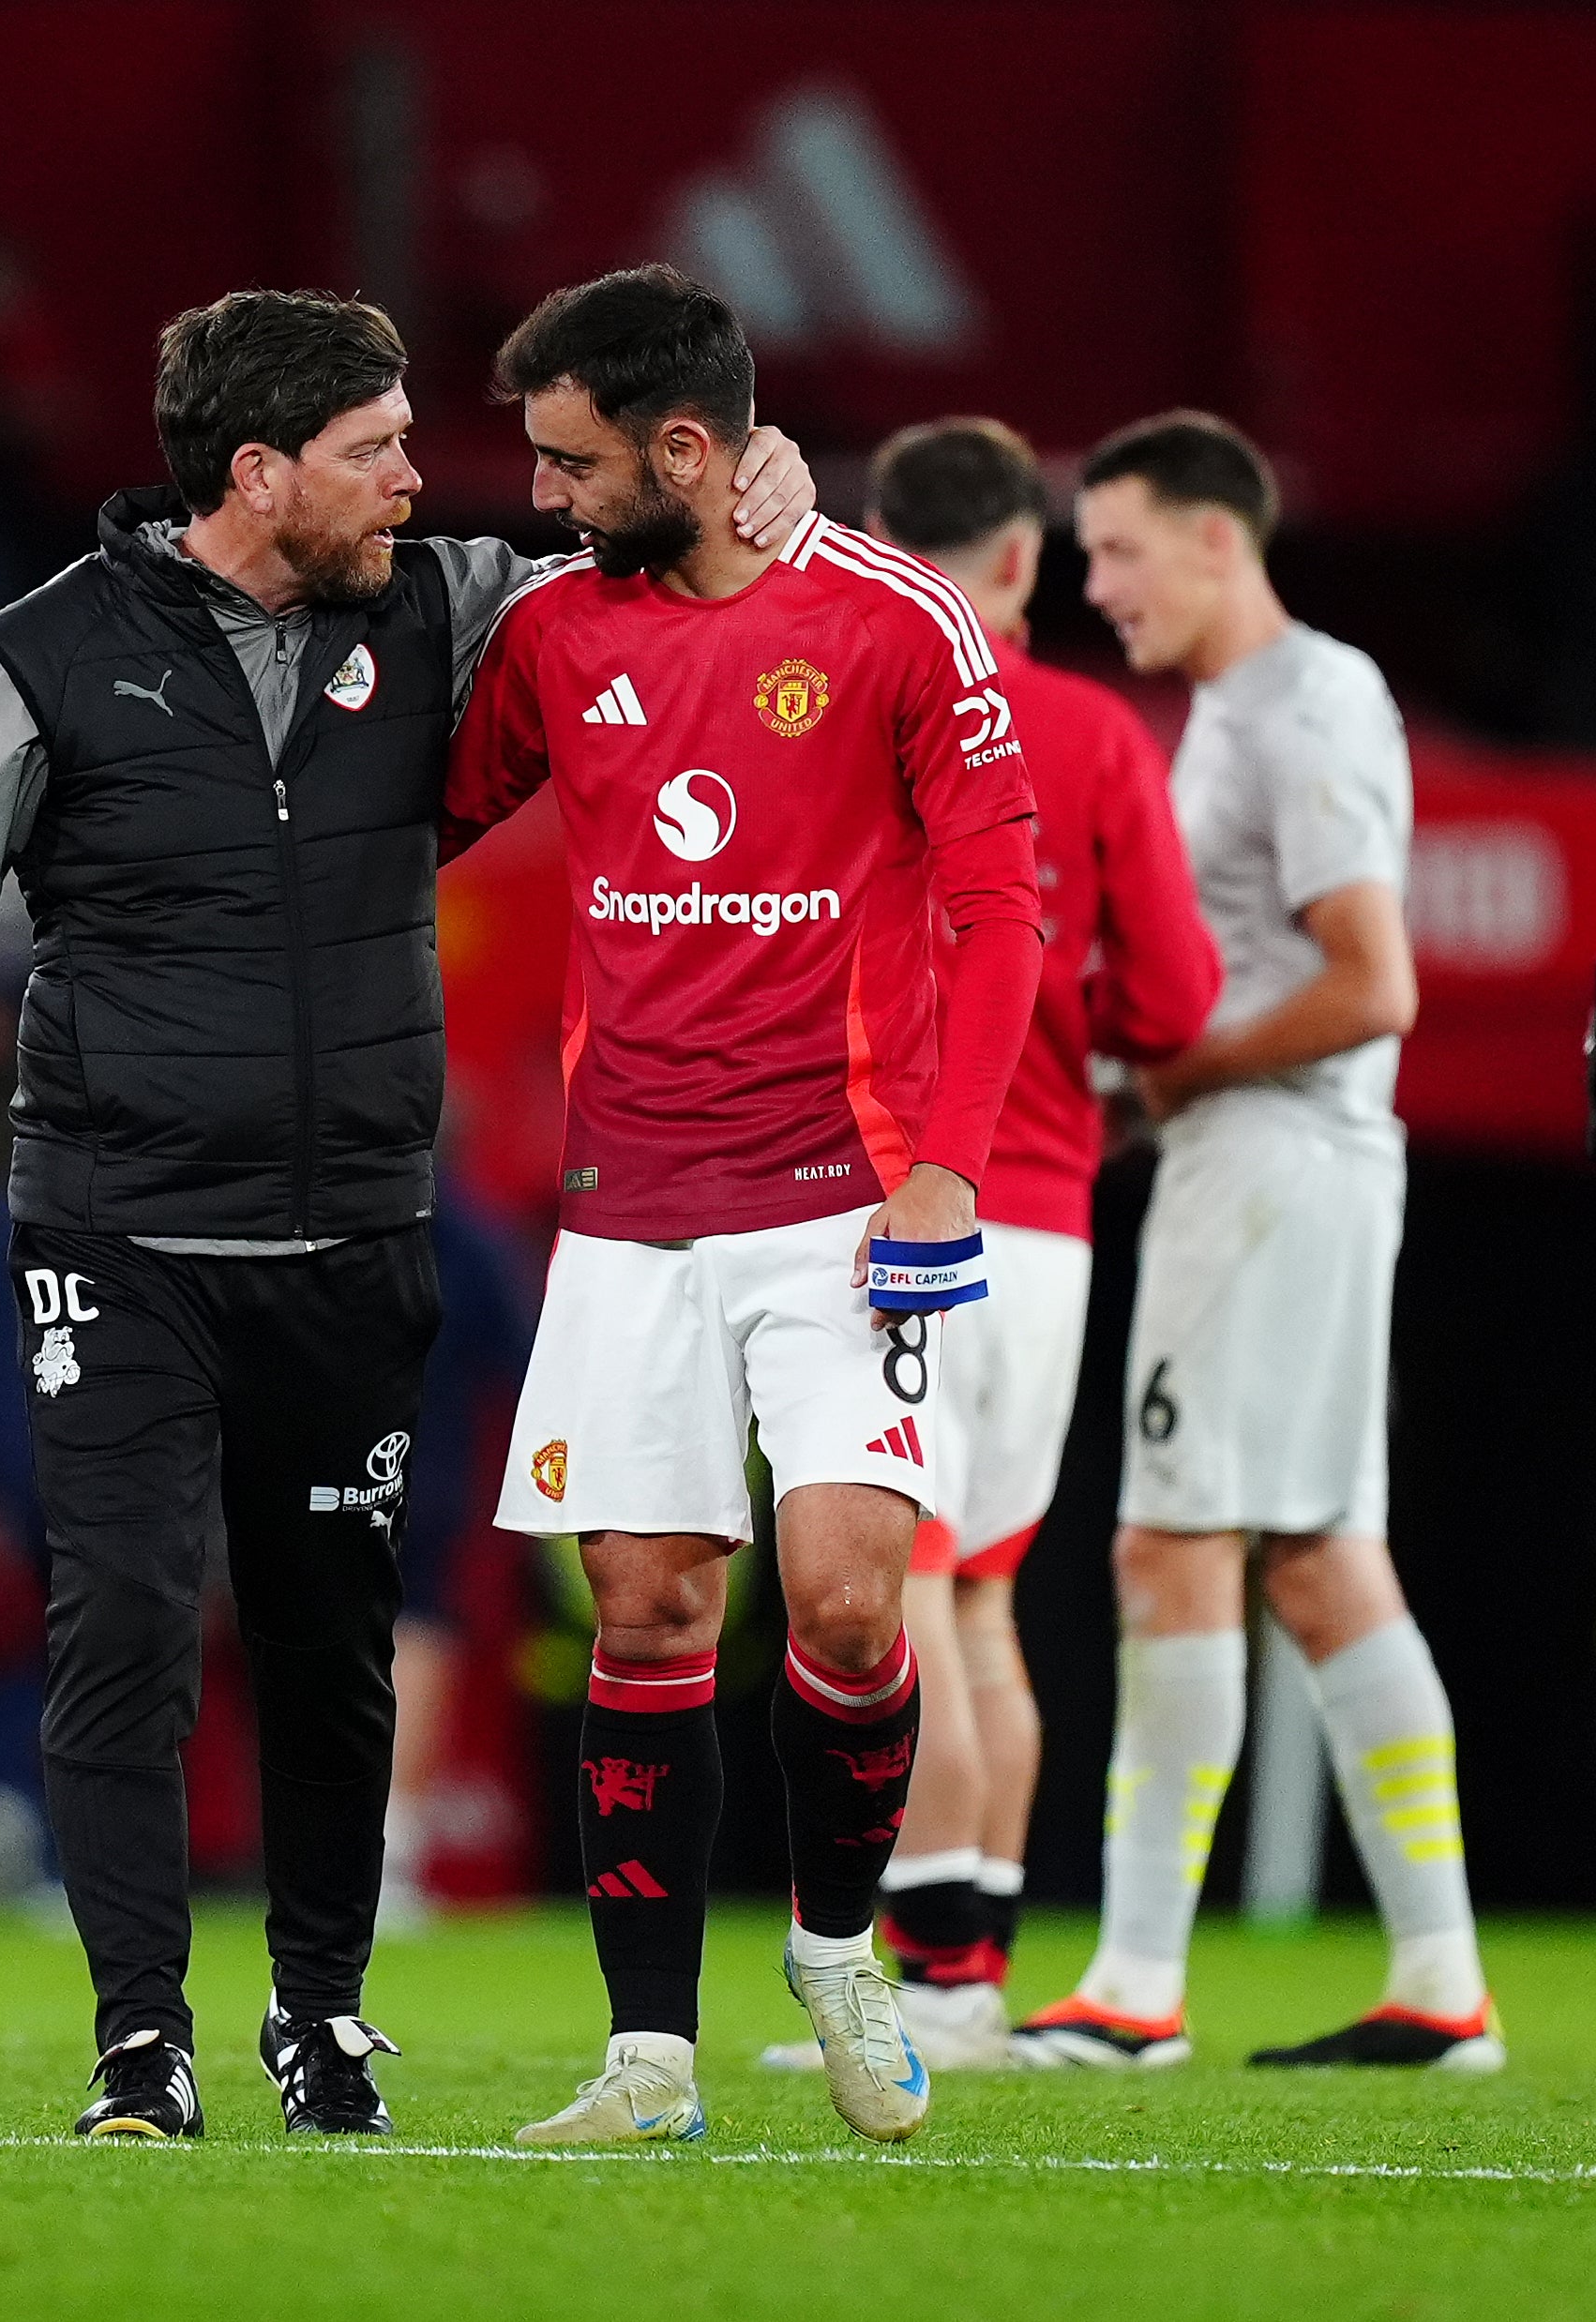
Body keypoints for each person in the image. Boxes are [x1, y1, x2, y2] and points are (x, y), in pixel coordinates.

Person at [0, 287, 816, 2142]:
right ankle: (136, 2038)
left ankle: (323, 2014)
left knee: (334, 1638)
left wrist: (773, 488)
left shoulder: (444, 603)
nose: (424, 483)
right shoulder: (41, 655)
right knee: (120, 1616)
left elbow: (664, 534)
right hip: (114, 1235)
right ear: (261, 472)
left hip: (353, 1235)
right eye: (379, 450)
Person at [444, 266, 1042, 2148]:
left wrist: (948, 1156)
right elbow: (430, 809)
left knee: (857, 1602)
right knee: (643, 1604)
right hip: (627, 1202)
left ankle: (839, 1943)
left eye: (571, 460)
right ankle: (649, 2060)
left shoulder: (890, 618)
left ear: (685, 449)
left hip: (840, 1195)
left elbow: (999, 900)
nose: (542, 495)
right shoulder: (550, 635)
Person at [1018, 412, 1500, 2076]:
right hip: (1286, 1158)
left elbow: (1374, 983)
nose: (1099, 584)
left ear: (1216, 539)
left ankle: (1136, 1982)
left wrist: (1165, 1069)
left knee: (1167, 1549)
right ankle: (1439, 1981)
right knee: (1313, 1556)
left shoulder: (1302, 705)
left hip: (1272, 1163)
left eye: (1120, 550)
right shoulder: (1247, 711)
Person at [760, 416, 1215, 2076]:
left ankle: (940, 1987)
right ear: (1020, 557)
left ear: (879, 538)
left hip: (898, 1209)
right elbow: (1173, 999)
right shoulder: (1096, 735)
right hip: (1053, 1222)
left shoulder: (842, 701)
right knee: (982, 1603)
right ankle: (971, 1965)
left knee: (909, 1593)